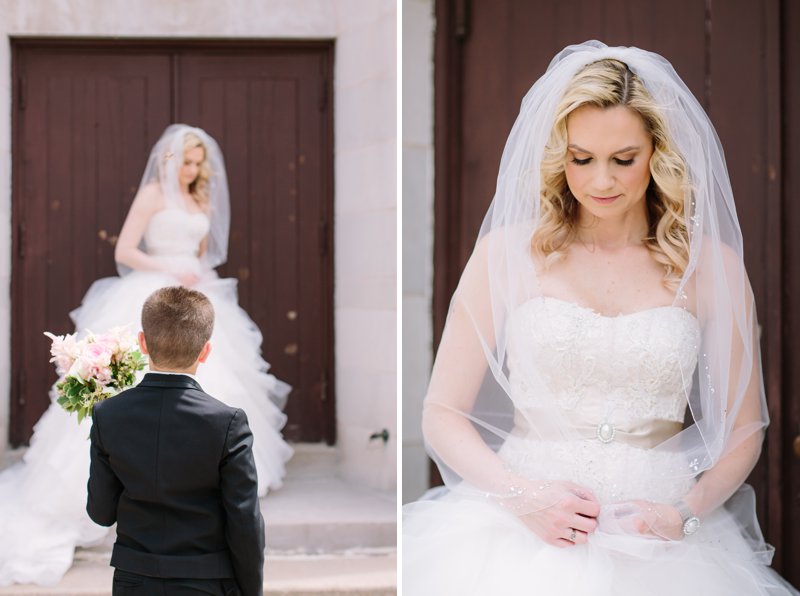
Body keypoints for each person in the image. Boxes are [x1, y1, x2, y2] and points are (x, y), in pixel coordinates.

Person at [403, 41, 799, 595]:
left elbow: (744, 428)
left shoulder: (712, 267)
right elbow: (442, 413)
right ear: (558, 155)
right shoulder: (506, 254)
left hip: (663, 541)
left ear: (658, 153)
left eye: (624, 159)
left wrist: (683, 512)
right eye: (581, 158)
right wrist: (523, 498)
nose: (601, 182)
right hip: (522, 533)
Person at [0, 124, 291, 587]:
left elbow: (204, 252)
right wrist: (167, 267)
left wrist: (194, 272)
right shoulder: (153, 194)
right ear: (168, 159)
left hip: (195, 291)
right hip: (152, 284)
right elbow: (125, 249)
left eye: (198, 163)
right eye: (185, 161)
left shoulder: (203, 201)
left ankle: (199, 477)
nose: (192, 170)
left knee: (212, 389)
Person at [88, 286, 264, 596]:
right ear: (206, 351)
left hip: (133, 580)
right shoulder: (228, 423)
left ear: (142, 343)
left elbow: (101, 513)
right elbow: (244, 522)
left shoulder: (107, 414)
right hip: (205, 582)